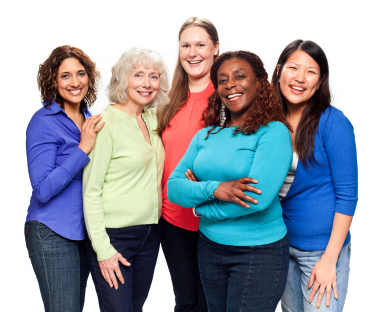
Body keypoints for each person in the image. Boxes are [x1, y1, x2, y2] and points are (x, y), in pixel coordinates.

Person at [167, 51, 293, 312]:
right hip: (210, 248)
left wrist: (200, 207)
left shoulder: (273, 132)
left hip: (258, 252)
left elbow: (255, 199)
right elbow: (174, 187)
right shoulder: (205, 135)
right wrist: (217, 188)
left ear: (259, 82)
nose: (231, 85)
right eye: (223, 80)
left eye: (239, 76)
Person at [272, 40, 358, 312]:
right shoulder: (269, 123)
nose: (299, 78)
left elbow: (347, 195)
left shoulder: (333, 123)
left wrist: (330, 259)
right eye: (293, 68)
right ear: (278, 71)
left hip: (322, 252)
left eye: (310, 72)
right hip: (281, 248)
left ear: (320, 81)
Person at [82, 47, 168, 312]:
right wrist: (103, 249)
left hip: (151, 234)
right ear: (122, 79)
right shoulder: (105, 123)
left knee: (135, 308)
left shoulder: (154, 118)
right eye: (138, 75)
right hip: (113, 237)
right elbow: (91, 190)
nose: (147, 83)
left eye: (153, 76)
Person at [24, 45, 104, 312]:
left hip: (84, 233)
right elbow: (43, 189)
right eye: (65, 75)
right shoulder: (43, 122)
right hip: (51, 231)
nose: (75, 82)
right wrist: (83, 149)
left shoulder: (91, 120)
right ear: (53, 80)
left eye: (80, 74)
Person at [156, 16, 219, 312]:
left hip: (212, 216)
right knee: (186, 301)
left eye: (200, 45)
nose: (192, 53)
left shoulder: (226, 97)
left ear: (216, 48)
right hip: (172, 218)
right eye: (185, 45)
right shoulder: (167, 100)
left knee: (211, 301)